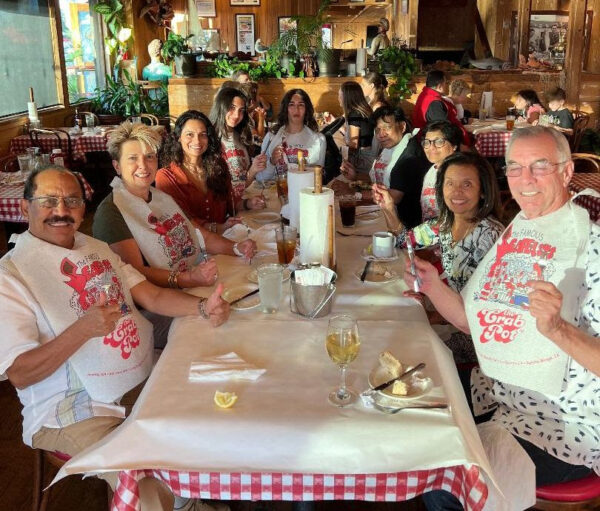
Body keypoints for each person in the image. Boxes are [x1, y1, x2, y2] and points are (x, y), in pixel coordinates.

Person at [0, 166, 230, 511]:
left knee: (206, 406)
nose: (61, 210)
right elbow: (20, 372)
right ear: (24, 208)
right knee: (146, 483)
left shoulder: (95, 248)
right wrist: (82, 328)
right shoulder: (10, 276)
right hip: (71, 409)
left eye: (72, 200)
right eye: (48, 201)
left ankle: (193, 499)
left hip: (135, 379)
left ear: (82, 207)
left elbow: (150, 296)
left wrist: (203, 307)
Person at [407, 127, 599, 510]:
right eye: (514, 167)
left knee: (443, 484)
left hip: (562, 427)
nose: (525, 180)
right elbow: (470, 322)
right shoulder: (517, 234)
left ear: (566, 172)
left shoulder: (591, 250)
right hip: (497, 393)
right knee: (414, 398)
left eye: (539, 166)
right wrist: (431, 285)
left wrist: (558, 329)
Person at [374, 152, 504, 363]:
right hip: (449, 317)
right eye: (449, 183)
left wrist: (433, 315)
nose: (456, 192)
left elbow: (485, 313)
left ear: (483, 191)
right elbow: (404, 242)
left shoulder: (490, 236)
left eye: (467, 184)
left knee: (400, 348)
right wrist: (388, 208)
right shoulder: (444, 223)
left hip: (475, 340)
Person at [156, 110, 264, 234]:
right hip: (194, 248)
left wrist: (248, 203)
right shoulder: (165, 176)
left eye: (203, 134)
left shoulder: (218, 166)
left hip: (226, 238)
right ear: (178, 137)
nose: (197, 141)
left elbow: (231, 204)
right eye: (189, 134)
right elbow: (181, 222)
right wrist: (219, 228)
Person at [337, 106, 429, 229]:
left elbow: (394, 197)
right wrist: (355, 176)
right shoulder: (390, 147)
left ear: (402, 127)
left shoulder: (409, 156)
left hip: (404, 224)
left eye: (387, 128)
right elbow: (377, 179)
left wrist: (353, 194)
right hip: (382, 212)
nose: (381, 134)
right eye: (378, 129)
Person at [209, 87, 268, 199]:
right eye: (232, 108)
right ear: (221, 106)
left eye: (241, 110)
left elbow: (241, 183)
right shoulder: (209, 137)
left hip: (238, 204)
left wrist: (254, 169)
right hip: (221, 207)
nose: (236, 115)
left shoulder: (241, 136)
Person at [258, 89, 326, 181]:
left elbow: (318, 178)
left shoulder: (319, 140)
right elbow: (260, 178)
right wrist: (272, 161)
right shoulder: (271, 137)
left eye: (301, 105)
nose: (296, 109)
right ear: (285, 108)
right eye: (291, 104)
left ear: (307, 109)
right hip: (277, 192)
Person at [412, 70, 470, 146]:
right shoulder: (434, 103)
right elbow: (443, 129)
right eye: (445, 83)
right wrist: (459, 146)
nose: (446, 85)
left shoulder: (425, 95)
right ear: (439, 86)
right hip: (433, 144)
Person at [338, 80, 374, 173]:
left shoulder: (354, 115)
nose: (338, 98)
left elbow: (353, 145)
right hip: (371, 157)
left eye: (340, 95)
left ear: (347, 98)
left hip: (363, 161)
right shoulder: (364, 111)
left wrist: (340, 151)